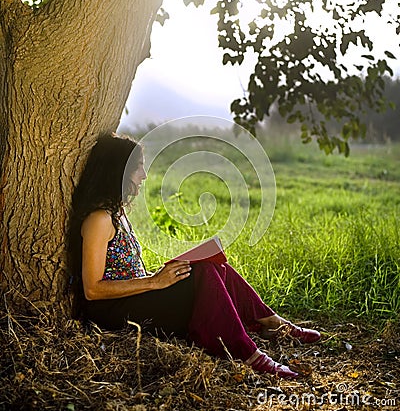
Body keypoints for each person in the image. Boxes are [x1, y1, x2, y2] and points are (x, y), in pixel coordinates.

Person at [69, 134, 320, 379]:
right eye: (138, 168)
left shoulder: (118, 213)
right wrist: (155, 282)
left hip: (135, 295)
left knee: (212, 265)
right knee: (204, 272)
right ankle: (247, 352)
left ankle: (271, 322)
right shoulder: (99, 219)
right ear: (119, 172)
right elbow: (92, 290)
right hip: (113, 311)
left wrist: (160, 278)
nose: (144, 175)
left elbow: (126, 271)